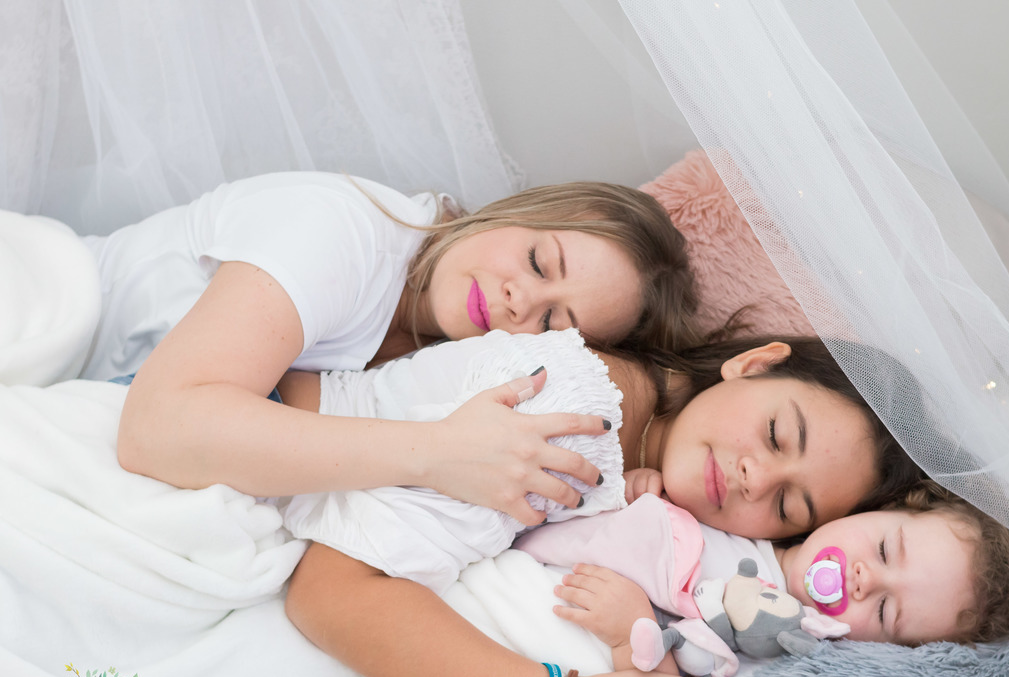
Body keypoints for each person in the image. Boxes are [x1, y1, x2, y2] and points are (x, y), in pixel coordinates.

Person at [284, 332, 926, 677]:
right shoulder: (568, 422)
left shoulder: (658, 477)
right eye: (777, 436)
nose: (755, 478)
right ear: (755, 365)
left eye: (787, 504)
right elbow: (329, 594)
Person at [88, 172, 699, 522]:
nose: (520, 300)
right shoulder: (340, 234)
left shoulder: (450, 356)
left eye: (550, 323)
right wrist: (435, 452)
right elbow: (155, 428)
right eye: (539, 261)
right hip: (51, 321)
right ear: (520, 210)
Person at [518, 483, 1009, 677]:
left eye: (884, 611)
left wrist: (627, 633)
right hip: (520, 565)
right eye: (883, 550)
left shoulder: (776, 657)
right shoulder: (732, 507)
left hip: (552, 663)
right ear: (881, 507)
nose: (866, 579)